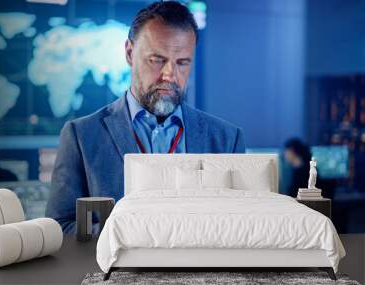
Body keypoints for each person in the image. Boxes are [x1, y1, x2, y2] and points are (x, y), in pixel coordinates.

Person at [46, 1, 245, 233]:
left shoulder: (226, 140)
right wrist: (135, 231)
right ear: (130, 53)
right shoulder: (81, 137)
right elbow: (59, 228)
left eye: (182, 63)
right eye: (157, 60)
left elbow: (239, 227)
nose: (169, 74)